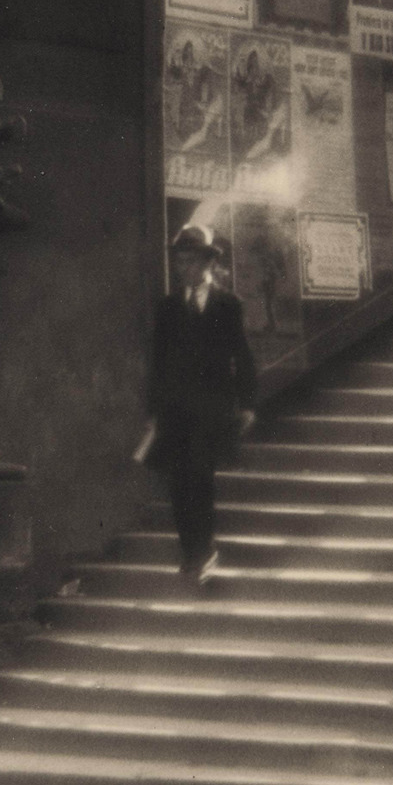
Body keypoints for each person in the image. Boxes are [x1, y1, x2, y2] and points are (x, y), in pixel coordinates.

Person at [143, 224, 257, 585]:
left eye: (191, 260)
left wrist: (248, 403)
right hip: (175, 410)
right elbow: (157, 363)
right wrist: (153, 412)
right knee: (179, 482)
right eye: (180, 260)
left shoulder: (228, 304)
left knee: (200, 475)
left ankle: (204, 550)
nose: (184, 268)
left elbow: (243, 355)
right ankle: (190, 551)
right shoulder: (168, 307)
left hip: (212, 408)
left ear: (208, 262)